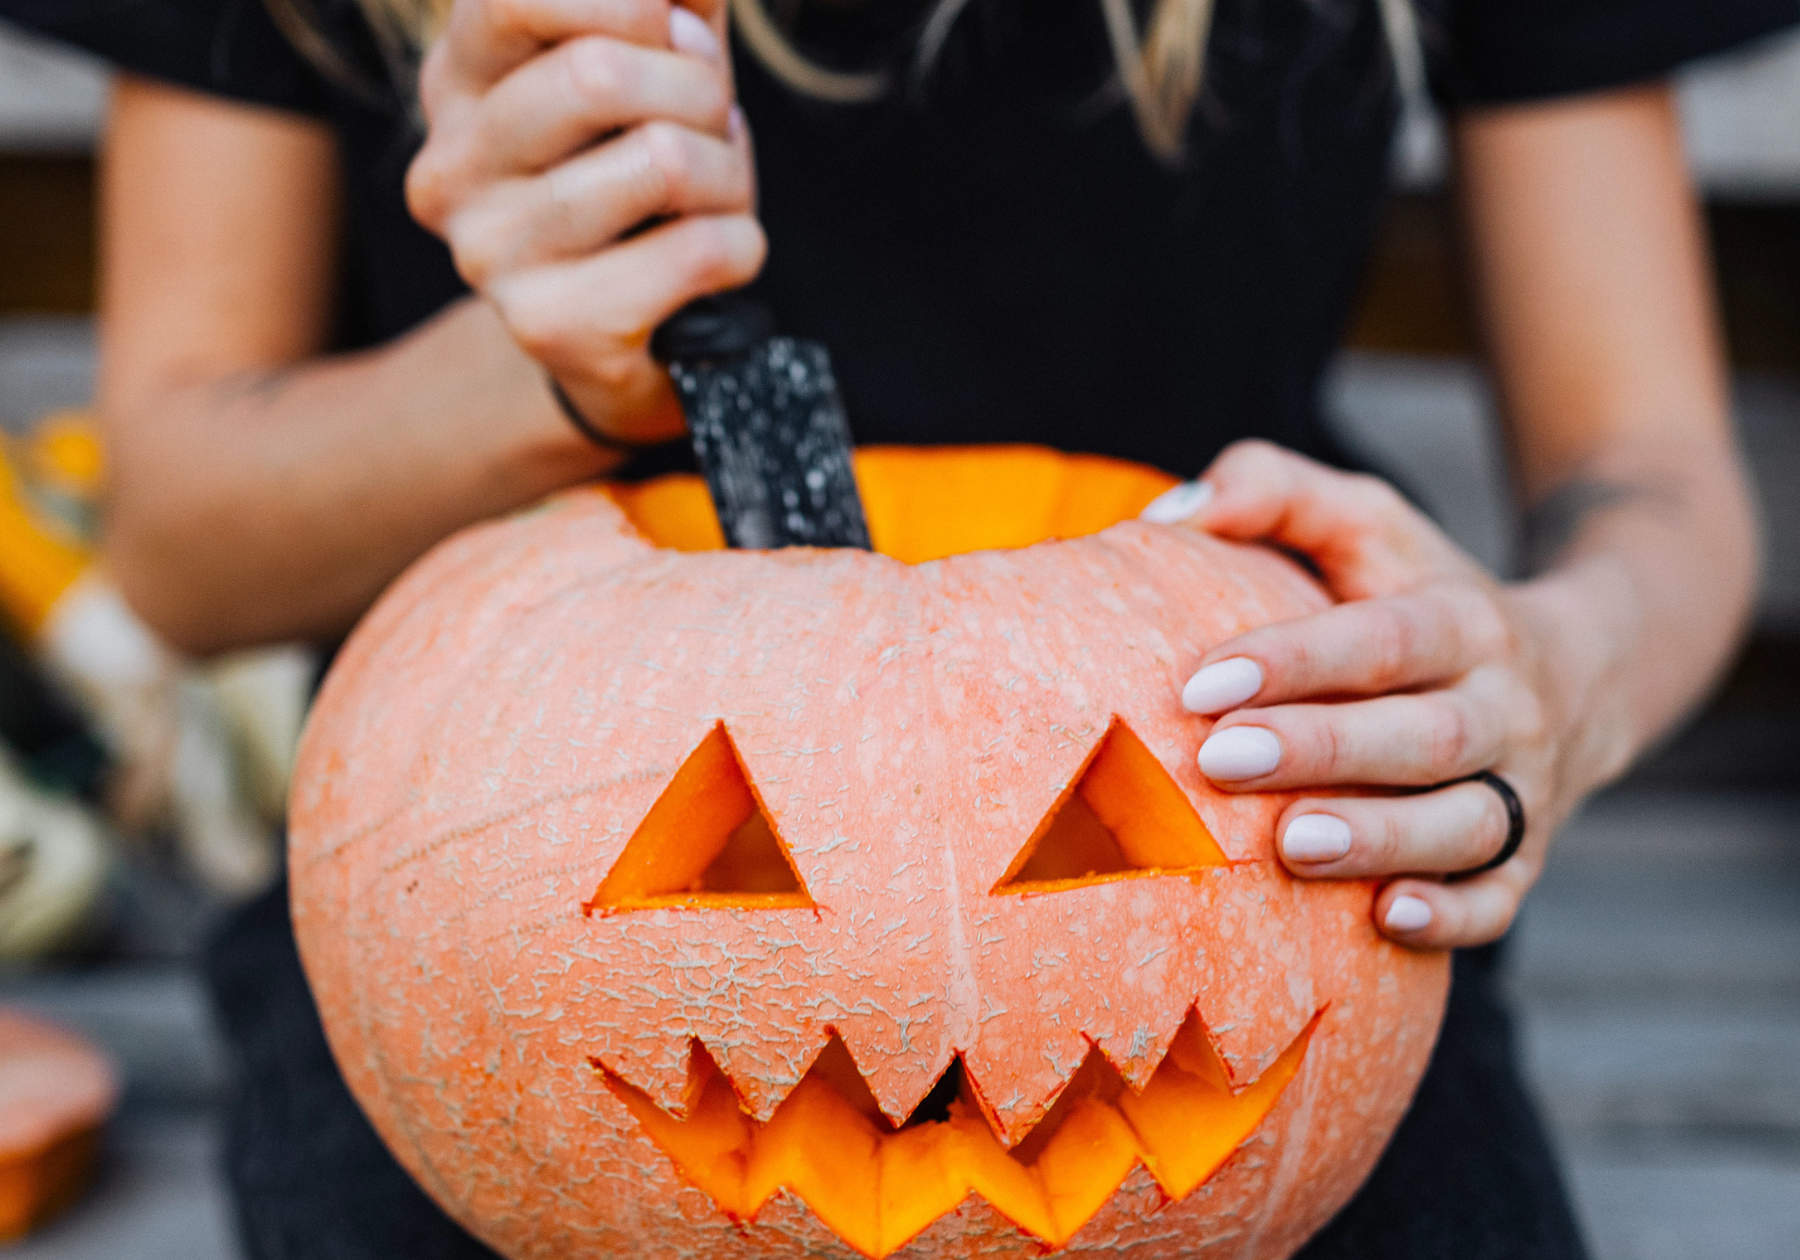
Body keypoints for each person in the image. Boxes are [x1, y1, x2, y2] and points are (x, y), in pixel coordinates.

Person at [3, 0, 1793, 1255]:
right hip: (501, 892)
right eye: (766, 853)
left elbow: (1648, 479)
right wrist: (543, 364)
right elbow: (180, 546)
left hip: (1268, 856)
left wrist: (1562, 665)